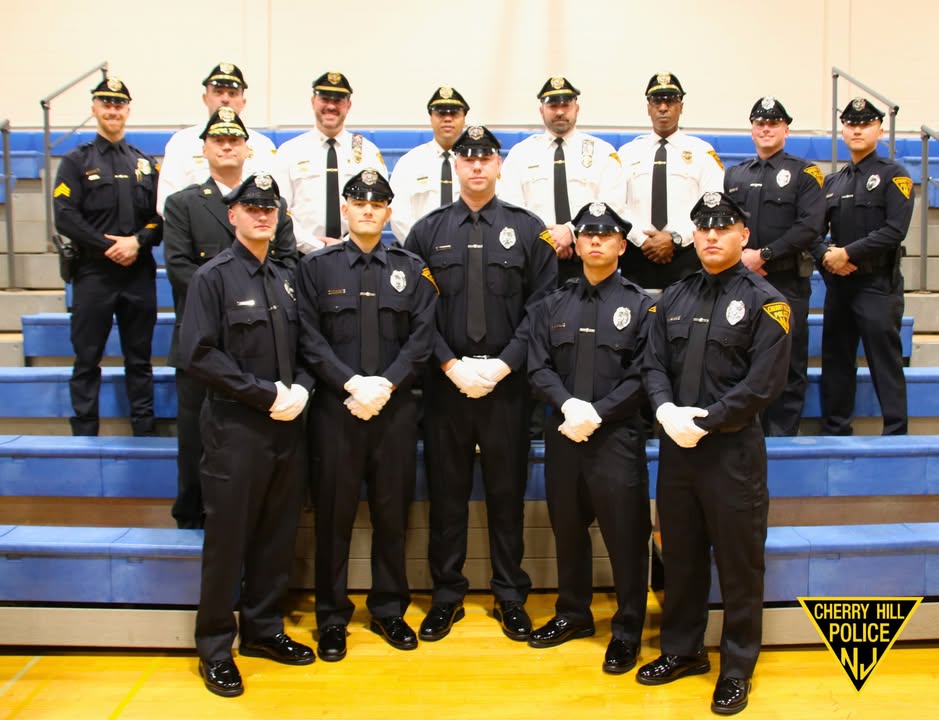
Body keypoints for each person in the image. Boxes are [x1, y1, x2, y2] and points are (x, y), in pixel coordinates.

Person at [638, 192, 791, 715]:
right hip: (678, 450)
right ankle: (683, 650)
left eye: (723, 227)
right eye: (703, 227)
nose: (711, 235)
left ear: (743, 235)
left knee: (739, 564)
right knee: (680, 557)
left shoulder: (767, 301)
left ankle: (737, 667)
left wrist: (704, 420)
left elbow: (763, 384)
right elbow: (653, 363)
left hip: (731, 452)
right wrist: (665, 410)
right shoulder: (674, 296)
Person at [404, 126, 557, 642]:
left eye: (485, 157)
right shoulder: (426, 232)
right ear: (455, 165)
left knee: (506, 493)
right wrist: (450, 365)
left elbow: (542, 308)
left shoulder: (529, 229)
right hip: (446, 387)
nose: (475, 165)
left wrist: (503, 365)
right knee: (446, 494)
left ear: (498, 166)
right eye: (467, 157)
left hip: (506, 388)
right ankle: (446, 595)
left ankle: (510, 594)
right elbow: (417, 313)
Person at [178, 173, 314, 698]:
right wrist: (264, 394)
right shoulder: (213, 277)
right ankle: (215, 647)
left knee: (276, 535)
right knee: (228, 540)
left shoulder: (286, 276)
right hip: (236, 427)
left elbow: (307, 347)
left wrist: (300, 389)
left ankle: (263, 630)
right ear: (232, 215)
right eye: (251, 207)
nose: (261, 214)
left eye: (269, 207)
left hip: (286, 427)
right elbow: (198, 354)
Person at [296, 169, 437, 661]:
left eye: (377, 204)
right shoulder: (317, 267)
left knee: (391, 516)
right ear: (345, 209)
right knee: (333, 518)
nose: (368, 211)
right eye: (359, 203)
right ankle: (332, 617)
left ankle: (389, 609)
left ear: (389, 212)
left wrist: (386, 384)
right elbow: (308, 336)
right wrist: (351, 384)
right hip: (337, 411)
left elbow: (422, 337)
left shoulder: (411, 268)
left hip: (394, 412)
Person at [526, 201, 652, 674]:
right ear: (576, 245)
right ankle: (573, 613)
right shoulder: (551, 304)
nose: (596, 241)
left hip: (615, 437)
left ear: (622, 245)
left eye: (606, 235)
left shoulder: (641, 305)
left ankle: (628, 629)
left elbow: (645, 374)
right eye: (587, 235)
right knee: (568, 530)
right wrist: (567, 405)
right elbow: (537, 367)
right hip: (563, 434)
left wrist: (597, 413)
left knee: (626, 537)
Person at [163, 108, 298, 529]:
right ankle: (194, 517)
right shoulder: (183, 203)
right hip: (202, 341)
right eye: (218, 140)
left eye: (234, 140)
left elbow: (288, 264)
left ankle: (249, 520)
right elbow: (179, 268)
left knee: (254, 440)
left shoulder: (271, 206)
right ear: (203, 149)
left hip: (260, 343)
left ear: (247, 149)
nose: (226, 146)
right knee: (195, 437)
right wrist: (232, 295)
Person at [52, 77, 162, 437]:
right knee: (87, 358)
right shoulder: (76, 161)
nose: (113, 110)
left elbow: (160, 217)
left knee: (139, 358)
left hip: (138, 273)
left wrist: (137, 242)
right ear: (94, 108)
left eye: (119, 104)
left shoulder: (145, 163)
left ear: (128, 110)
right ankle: (84, 432)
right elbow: (65, 216)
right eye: (106, 103)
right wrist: (108, 246)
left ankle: (143, 429)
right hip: (93, 273)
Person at [724, 97, 825, 436]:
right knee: (741, 358)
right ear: (752, 129)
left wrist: (763, 255)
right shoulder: (735, 174)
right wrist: (742, 258)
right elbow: (727, 225)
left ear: (786, 130)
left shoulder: (805, 173)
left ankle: (782, 437)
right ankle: (745, 431)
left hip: (786, 282)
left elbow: (810, 226)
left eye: (773, 123)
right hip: (742, 284)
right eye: (760, 123)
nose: (766, 129)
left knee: (788, 361)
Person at [815, 97, 913, 436]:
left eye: (866, 124)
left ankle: (896, 432)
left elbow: (894, 230)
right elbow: (813, 232)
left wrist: (848, 254)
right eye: (851, 124)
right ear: (843, 130)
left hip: (877, 284)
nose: (857, 130)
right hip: (839, 285)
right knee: (836, 360)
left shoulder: (894, 175)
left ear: (880, 130)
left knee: (884, 360)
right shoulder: (833, 182)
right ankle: (835, 429)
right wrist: (827, 257)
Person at [500, 76, 625, 284]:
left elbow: (613, 205)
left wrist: (570, 232)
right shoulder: (520, 154)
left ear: (577, 108)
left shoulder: (603, 152)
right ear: (541, 110)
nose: (559, 112)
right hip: (535, 259)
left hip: (589, 261)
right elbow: (510, 209)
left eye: (566, 105)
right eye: (553, 106)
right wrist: (547, 239)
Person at [618, 73, 724, 290]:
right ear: (648, 108)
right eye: (657, 101)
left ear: (681, 107)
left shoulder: (702, 153)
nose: (663, 108)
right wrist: (642, 240)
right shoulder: (627, 153)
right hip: (637, 256)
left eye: (670, 101)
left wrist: (675, 239)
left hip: (687, 257)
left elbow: (712, 205)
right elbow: (618, 205)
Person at [274, 71, 386, 254]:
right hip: (301, 254)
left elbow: (379, 206)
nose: (331, 106)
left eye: (338, 101)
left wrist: (348, 245)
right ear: (313, 101)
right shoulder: (289, 152)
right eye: (325, 99)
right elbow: (279, 209)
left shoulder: (368, 152)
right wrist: (316, 247)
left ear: (348, 105)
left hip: (357, 254)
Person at [156, 62, 276, 215]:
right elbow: (166, 204)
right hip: (197, 227)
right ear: (205, 98)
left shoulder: (262, 145)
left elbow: (273, 199)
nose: (225, 99)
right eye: (218, 92)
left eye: (232, 93)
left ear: (243, 102)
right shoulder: (182, 143)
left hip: (251, 226)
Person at [389, 86, 469, 243]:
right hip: (420, 251)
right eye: (441, 113)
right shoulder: (409, 163)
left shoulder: (477, 163)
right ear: (431, 118)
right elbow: (398, 215)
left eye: (454, 113)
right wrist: (422, 247)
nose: (447, 118)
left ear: (464, 119)